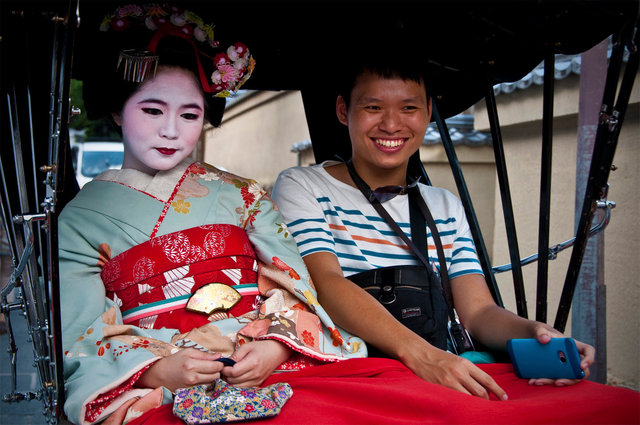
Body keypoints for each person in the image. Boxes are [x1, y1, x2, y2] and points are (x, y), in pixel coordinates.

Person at [59, 5, 365, 425]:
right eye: (152, 110)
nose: (171, 130)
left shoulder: (243, 194)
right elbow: (78, 332)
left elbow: (294, 284)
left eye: (190, 114)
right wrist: (154, 369)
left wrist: (276, 346)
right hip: (159, 382)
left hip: (263, 365)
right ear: (116, 110)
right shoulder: (80, 219)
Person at [271, 45, 596, 401]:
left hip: (441, 371)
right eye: (373, 107)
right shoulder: (303, 185)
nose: (391, 124)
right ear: (343, 111)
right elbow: (327, 283)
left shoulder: (443, 205)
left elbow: (477, 312)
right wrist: (423, 356)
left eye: (409, 107)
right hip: (349, 373)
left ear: (427, 112)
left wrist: (535, 333)